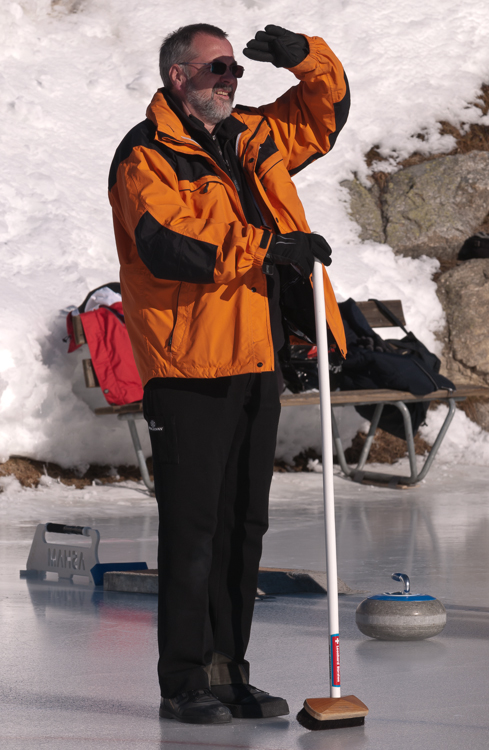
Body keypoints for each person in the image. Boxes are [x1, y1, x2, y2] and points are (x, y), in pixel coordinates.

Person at [109, 22, 349, 725]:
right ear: (178, 77)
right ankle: (184, 678)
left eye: (235, 70)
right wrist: (270, 248)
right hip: (189, 365)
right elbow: (170, 245)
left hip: (256, 357)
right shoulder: (145, 155)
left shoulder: (251, 135)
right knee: (193, 528)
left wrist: (306, 58)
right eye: (216, 69)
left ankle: (228, 670)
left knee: (245, 525)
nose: (230, 80)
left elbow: (323, 116)